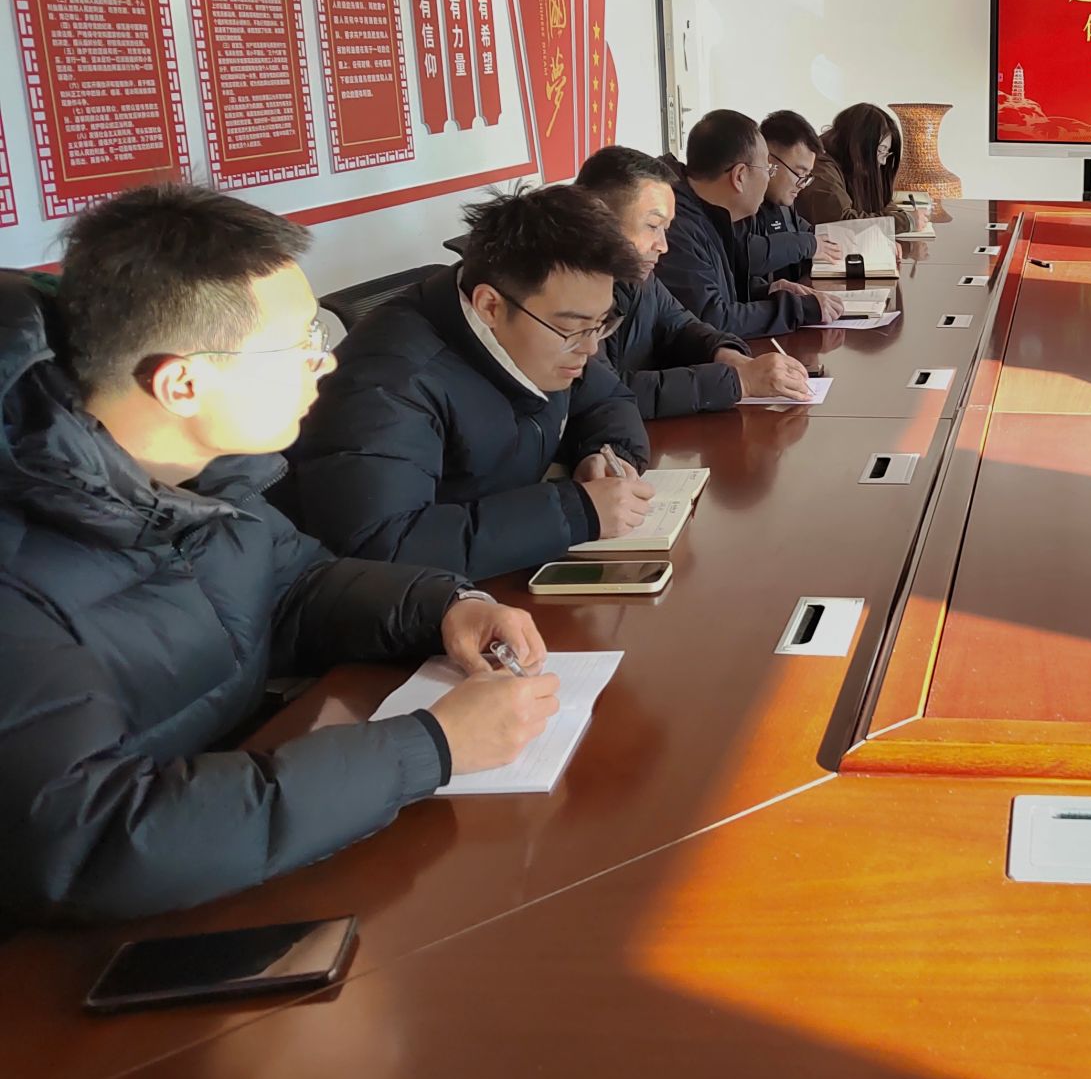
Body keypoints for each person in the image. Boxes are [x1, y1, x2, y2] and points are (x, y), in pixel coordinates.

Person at [0, 185, 560, 923]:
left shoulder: (204, 474)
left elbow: (292, 586)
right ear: (183, 383)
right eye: (299, 346)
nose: (324, 365)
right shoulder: (20, 575)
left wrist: (444, 606)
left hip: (235, 834)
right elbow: (92, 837)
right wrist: (430, 748)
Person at [282, 186, 657, 581]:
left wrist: (605, 454)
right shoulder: (389, 385)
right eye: (573, 327)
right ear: (490, 306)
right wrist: (575, 512)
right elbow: (378, 547)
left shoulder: (550, 334)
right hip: (417, 603)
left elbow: (607, 397)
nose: (590, 347)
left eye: (600, 323)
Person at [576, 145, 813, 414]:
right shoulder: (570, 290)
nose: (663, 246)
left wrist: (730, 357)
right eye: (652, 226)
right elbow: (605, 392)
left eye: (665, 229)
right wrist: (738, 382)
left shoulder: (638, 276)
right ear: (601, 218)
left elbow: (680, 326)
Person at [659, 109, 840, 337]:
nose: (768, 178)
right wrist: (800, 309)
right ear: (740, 176)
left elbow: (716, 290)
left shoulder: (712, 215)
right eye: (767, 169)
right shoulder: (676, 226)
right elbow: (711, 320)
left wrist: (767, 290)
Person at [797, 102, 924, 233]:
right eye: (881, 150)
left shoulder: (854, 166)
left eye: (887, 152)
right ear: (859, 145)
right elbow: (841, 223)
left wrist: (897, 215)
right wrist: (905, 222)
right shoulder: (821, 168)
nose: (883, 161)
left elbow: (882, 203)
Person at [749, 111, 823, 285]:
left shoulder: (783, 204)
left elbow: (811, 233)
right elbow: (745, 255)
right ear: (768, 161)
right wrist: (807, 243)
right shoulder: (742, 203)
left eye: (807, 176)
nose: (802, 184)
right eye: (799, 173)